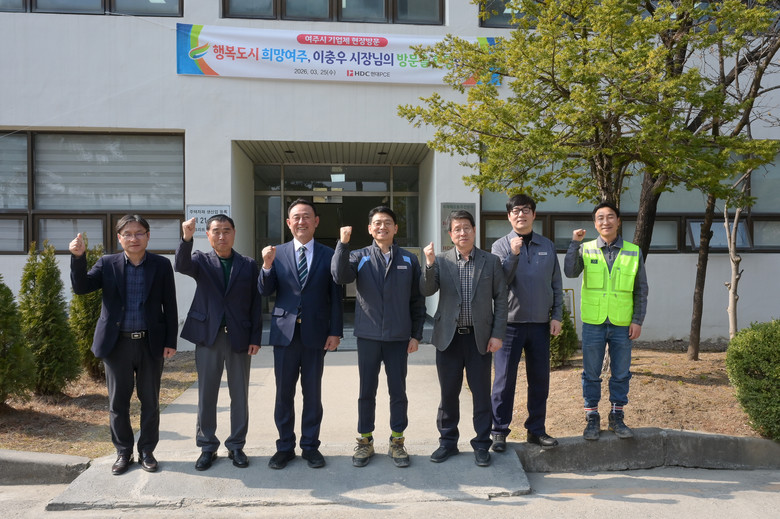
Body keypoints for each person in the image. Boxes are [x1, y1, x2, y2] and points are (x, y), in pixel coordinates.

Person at [69, 215, 178, 475]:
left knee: (150, 401)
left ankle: (147, 451)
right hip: (117, 344)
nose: (133, 238)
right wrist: (78, 258)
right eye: (127, 234)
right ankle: (123, 452)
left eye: (139, 233)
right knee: (118, 403)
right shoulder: (107, 263)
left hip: (150, 344)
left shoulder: (161, 265)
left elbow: (170, 305)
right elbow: (81, 287)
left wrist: (170, 341)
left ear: (148, 236)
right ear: (119, 238)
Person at [331, 206, 425, 468]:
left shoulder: (409, 260)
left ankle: (397, 441)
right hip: (369, 336)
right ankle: (365, 441)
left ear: (396, 228)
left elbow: (417, 301)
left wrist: (416, 335)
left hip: (398, 337)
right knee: (366, 391)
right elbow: (339, 276)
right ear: (370, 229)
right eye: (377, 223)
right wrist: (342, 244)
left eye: (387, 223)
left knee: (398, 391)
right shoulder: (359, 256)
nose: (382, 227)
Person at [258, 199, 343, 470]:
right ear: (288, 223)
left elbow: (336, 297)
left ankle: (310, 446)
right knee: (284, 393)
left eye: (306, 217)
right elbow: (265, 290)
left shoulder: (329, 254)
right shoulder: (277, 253)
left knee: (312, 393)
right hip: (285, 334)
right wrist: (266, 266)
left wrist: (335, 331)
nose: (301, 222)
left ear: (316, 221)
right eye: (296, 217)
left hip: (315, 334)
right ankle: (284, 447)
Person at [420, 210, 507, 467]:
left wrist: (497, 334)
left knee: (481, 394)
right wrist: (429, 263)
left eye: (466, 228)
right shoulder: (441, 260)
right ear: (450, 234)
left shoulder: (491, 261)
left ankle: (481, 444)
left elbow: (501, 300)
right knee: (448, 393)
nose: (462, 233)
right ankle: (447, 442)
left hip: (480, 338)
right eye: (457, 229)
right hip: (449, 339)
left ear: (474, 230)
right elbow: (427, 289)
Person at [175, 214, 262, 471]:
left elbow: (256, 303)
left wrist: (255, 337)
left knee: (239, 394)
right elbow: (180, 265)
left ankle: (236, 445)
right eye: (216, 231)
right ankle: (207, 446)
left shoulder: (248, 264)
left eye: (226, 231)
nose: (222, 236)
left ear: (234, 233)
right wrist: (186, 238)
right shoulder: (200, 260)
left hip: (239, 336)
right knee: (207, 393)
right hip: (208, 336)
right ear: (208, 235)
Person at [564, 201, 648, 440]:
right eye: (600, 218)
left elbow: (641, 289)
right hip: (594, 321)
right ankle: (592, 417)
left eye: (610, 217)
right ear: (595, 224)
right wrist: (574, 243)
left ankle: (616, 416)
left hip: (622, 322)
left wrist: (637, 320)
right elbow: (570, 271)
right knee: (591, 373)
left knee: (621, 373)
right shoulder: (586, 248)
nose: (605, 221)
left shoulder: (633, 251)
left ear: (618, 221)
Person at [490, 194, 563, 451]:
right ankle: (499, 431)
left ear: (534, 214)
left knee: (540, 380)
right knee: (504, 381)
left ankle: (536, 430)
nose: (521, 214)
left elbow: (556, 283)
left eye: (526, 210)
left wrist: (557, 315)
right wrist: (513, 254)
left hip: (540, 324)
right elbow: (499, 282)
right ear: (509, 216)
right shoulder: (500, 246)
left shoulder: (547, 245)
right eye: (516, 211)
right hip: (509, 324)